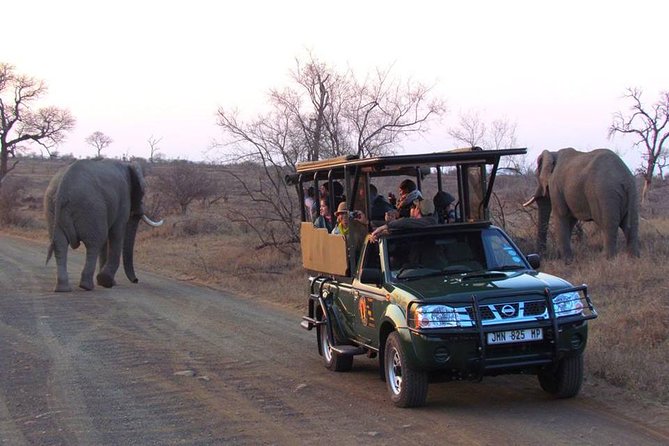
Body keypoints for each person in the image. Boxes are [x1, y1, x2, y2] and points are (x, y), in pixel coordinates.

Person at [369, 195, 437, 242]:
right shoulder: (419, 225)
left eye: (413, 207)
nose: (411, 210)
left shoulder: (430, 222)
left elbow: (405, 222)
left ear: (417, 209)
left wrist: (386, 226)